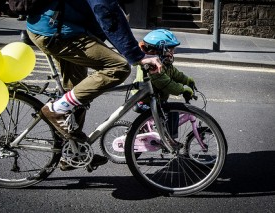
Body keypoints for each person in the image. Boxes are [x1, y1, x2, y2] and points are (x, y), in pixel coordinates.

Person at [26, 0, 162, 169]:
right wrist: (136, 55)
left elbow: (112, 16)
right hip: (56, 29)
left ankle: (71, 152)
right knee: (118, 67)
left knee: (79, 93)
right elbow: (105, 11)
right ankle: (55, 110)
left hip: (65, 27)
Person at [134, 29, 195, 142]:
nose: (172, 53)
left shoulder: (164, 63)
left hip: (156, 99)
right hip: (145, 101)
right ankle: (169, 141)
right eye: (170, 49)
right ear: (161, 49)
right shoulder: (153, 66)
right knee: (172, 113)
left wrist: (187, 80)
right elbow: (166, 84)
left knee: (170, 110)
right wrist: (182, 90)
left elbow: (175, 74)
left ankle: (166, 136)